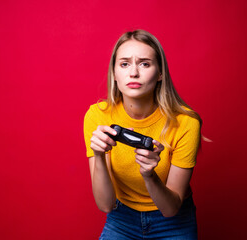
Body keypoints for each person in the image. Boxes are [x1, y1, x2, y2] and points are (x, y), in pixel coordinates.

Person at [83, 29, 202, 240]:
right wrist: (99, 155)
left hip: (173, 222)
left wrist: (149, 175)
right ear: (114, 73)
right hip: (121, 218)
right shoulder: (97, 116)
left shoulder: (186, 123)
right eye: (124, 64)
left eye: (145, 63)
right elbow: (105, 205)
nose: (134, 73)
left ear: (160, 73)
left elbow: (170, 209)